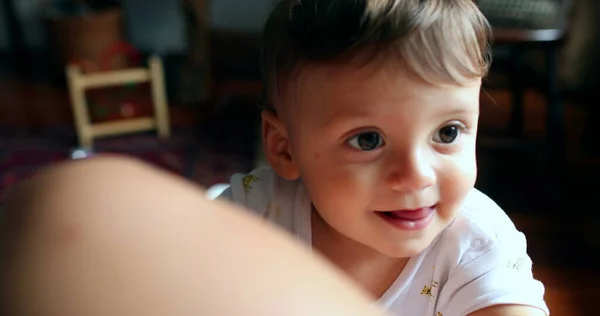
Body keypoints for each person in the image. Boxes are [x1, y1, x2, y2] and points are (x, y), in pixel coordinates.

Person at [0, 1, 548, 315]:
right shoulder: (254, 209)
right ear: (283, 147)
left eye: (448, 131)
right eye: (367, 140)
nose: (416, 175)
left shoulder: (477, 244)